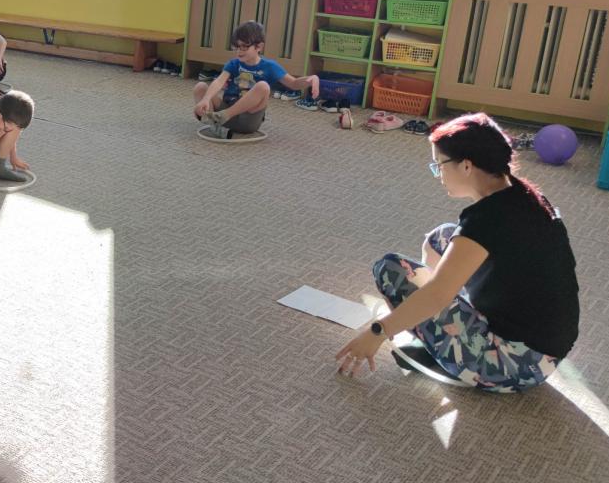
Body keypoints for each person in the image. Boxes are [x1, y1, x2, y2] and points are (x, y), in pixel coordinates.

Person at [336, 113, 580, 393]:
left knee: (390, 270)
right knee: (441, 237)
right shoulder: (523, 196)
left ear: (466, 165)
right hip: (543, 348)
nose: (438, 174)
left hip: (515, 365)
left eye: (439, 165)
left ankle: (454, 357)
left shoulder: (486, 221)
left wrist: (378, 331)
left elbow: (436, 295)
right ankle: (439, 334)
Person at [193, 20, 318, 140]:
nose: (239, 51)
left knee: (263, 86)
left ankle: (219, 119)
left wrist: (310, 79)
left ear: (259, 46)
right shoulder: (234, 63)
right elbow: (219, 81)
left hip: (247, 119)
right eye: (236, 47)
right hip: (224, 113)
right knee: (200, 87)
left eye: (244, 47)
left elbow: (294, 83)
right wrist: (206, 99)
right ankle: (214, 124)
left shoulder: (269, 66)